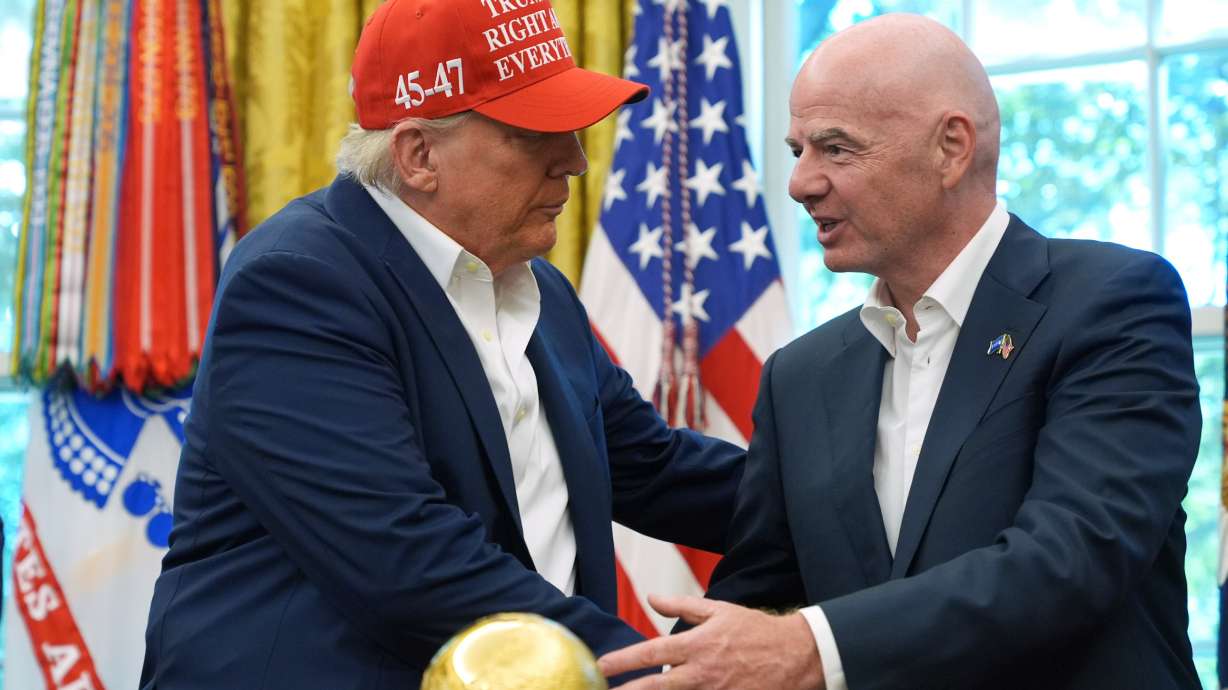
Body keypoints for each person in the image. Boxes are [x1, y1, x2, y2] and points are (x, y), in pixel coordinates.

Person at [139, 1, 745, 687]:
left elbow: (652, 469)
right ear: (419, 154)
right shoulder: (298, 283)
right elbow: (405, 558)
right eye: (534, 134)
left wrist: (852, 502)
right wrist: (662, 670)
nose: (574, 161)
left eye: (572, 130)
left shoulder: (534, 287)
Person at [598, 13, 1201, 690]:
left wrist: (810, 647)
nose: (800, 182)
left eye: (836, 149)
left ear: (951, 148)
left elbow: (1070, 560)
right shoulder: (801, 378)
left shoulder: (1110, 304)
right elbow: (758, 596)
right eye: (797, 149)